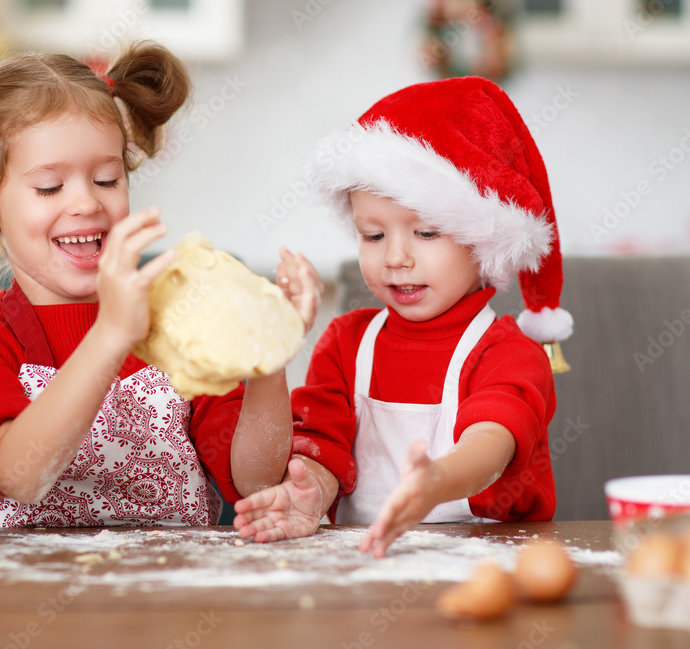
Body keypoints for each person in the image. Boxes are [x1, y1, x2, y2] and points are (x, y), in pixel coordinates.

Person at [0, 42, 321, 527]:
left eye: (107, 179)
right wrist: (112, 335)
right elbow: (21, 475)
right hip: (16, 597)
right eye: (49, 187)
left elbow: (253, 480)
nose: (86, 203)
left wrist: (271, 359)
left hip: (168, 594)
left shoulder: (179, 318)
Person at [234, 76, 573, 557]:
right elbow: (324, 447)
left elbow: (492, 444)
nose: (395, 257)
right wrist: (309, 491)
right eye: (373, 235)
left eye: (427, 233)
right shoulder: (346, 344)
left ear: (483, 243)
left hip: (485, 574)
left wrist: (437, 482)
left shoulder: (510, 353)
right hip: (368, 572)